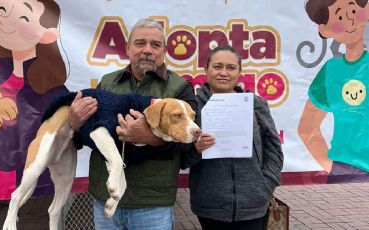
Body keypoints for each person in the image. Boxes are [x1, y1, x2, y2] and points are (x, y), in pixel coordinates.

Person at [0, 0, 97, 228]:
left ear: (47, 34)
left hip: (26, 197)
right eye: (2, 10)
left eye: (24, 17)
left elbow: (11, 152)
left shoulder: (51, 90)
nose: (6, 19)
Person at [70, 18, 199, 229]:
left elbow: (191, 142)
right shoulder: (107, 82)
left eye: (155, 45)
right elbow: (87, 137)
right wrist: (75, 124)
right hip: (106, 198)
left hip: (152, 204)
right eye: (140, 43)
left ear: (164, 51)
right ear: (128, 49)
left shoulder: (181, 88)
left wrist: (149, 138)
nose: (147, 50)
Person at [187, 45, 283, 230]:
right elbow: (181, 158)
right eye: (217, 66)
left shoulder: (256, 105)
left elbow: (274, 149)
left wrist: (266, 185)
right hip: (209, 206)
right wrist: (195, 150)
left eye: (231, 67)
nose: (224, 73)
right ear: (206, 70)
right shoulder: (192, 107)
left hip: (254, 203)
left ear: (239, 72)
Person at [298, 0, 369, 182]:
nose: (349, 20)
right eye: (339, 16)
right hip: (348, 173)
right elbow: (307, 128)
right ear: (325, 30)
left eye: (353, 11)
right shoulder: (331, 72)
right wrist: (334, 168)